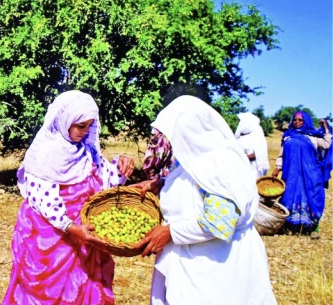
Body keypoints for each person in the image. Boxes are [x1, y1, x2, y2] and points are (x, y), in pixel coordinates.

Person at [134, 96, 276, 305]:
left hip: (216, 271)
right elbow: (194, 183)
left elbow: (220, 221)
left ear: (188, 131)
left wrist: (170, 232)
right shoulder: (195, 159)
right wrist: (162, 183)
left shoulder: (221, 165)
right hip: (194, 264)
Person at [2, 90, 134, 304]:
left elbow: (105, 181)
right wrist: (73, 229)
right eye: (80, 126)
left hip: (83, 239)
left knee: (83, 290)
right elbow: (43, 201)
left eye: (89, 126)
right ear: (65, 120)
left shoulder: (87, 151)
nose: (85, 131)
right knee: (50, 294)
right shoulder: (45, 153)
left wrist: (121, 165)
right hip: (53, 239)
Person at [271, 111, 331, 235]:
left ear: (306, 121)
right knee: (289, 195)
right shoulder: (288, 136)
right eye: (295, 120)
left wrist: (325, 127)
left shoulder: (313, 137)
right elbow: (282, 155)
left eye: (300, 120)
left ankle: (313, 227)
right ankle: (290, 226)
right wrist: (277, 168)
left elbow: (326, 145)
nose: (297, 122)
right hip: (291, 174)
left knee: (312, 196)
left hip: (311, 174)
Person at [235, 112, 270, 178]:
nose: (238, 123)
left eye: (240, 121)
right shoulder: (241, 136)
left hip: (252, 170)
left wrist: (241, 157)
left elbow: (258, 153)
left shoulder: (256, 134)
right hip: (240, 168)